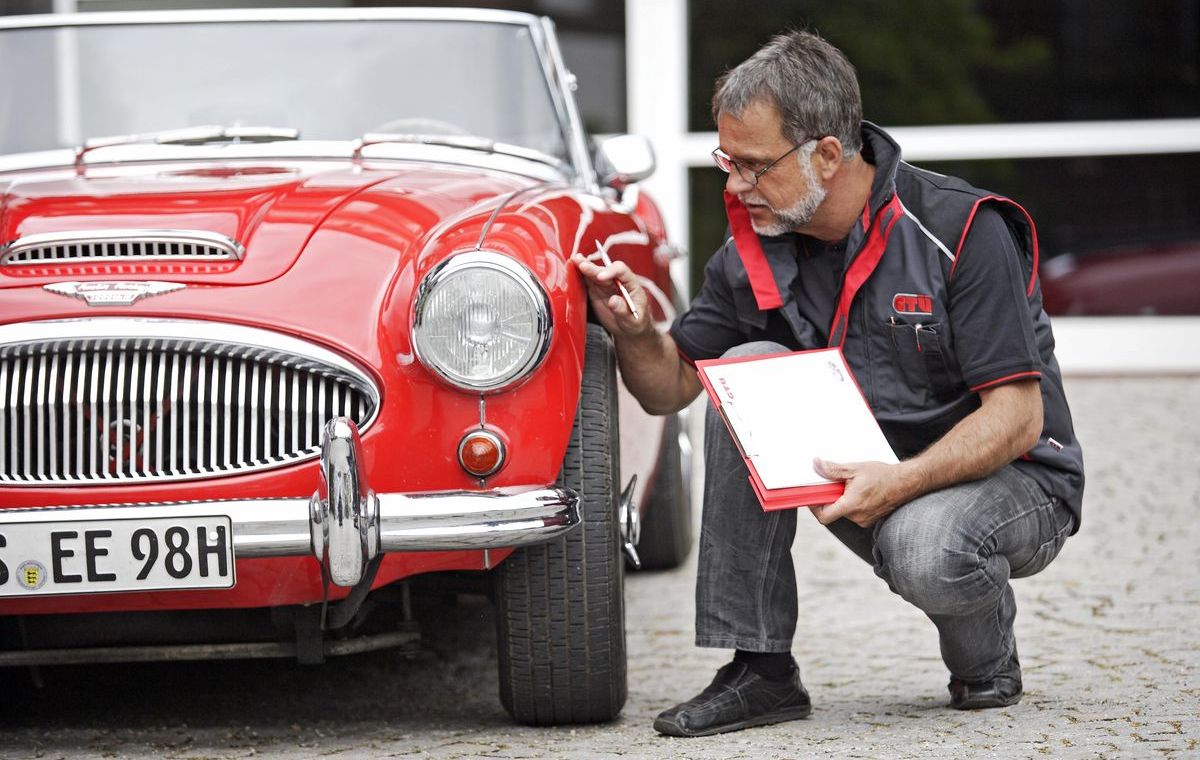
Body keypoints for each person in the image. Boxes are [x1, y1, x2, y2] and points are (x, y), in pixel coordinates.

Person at [571, 29, 1084, 738]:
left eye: (752, 166)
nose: (733, 185)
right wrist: (632, 331)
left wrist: (899, 481)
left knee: (923, 547)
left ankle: (987, 659)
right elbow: (670, 391)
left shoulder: (963, 229)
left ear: (828, 155)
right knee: (743, 370)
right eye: (727, 161)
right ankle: (762, 671)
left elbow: (1019, 418)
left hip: (1019, 481)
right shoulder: (755, 247)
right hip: (876, 477)